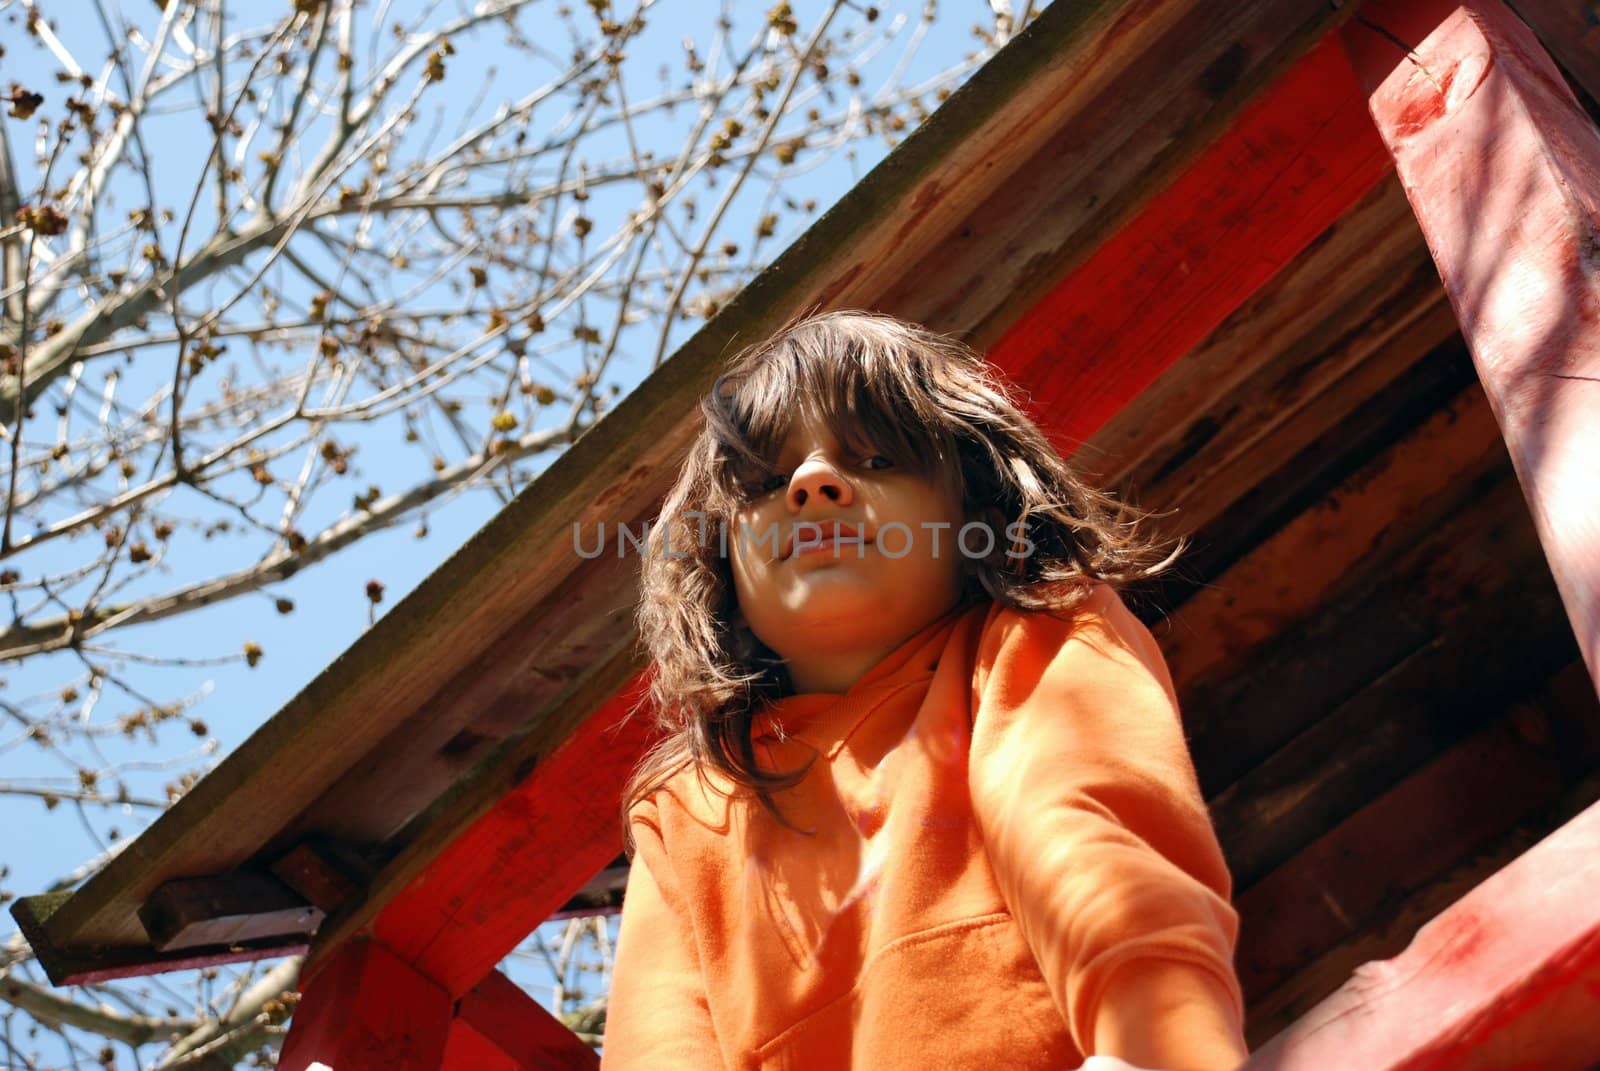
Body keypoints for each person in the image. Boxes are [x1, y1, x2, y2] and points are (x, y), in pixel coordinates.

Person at [601, 310, 1248, 1071]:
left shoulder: (1037, 641)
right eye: (769, 481)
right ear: (722, 564)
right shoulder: (686, 815)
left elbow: (1097, 851)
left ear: (973, 514)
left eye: (875, 459)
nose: (811, 483)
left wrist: (1156, 1051)